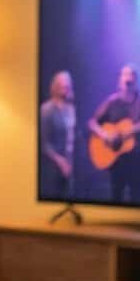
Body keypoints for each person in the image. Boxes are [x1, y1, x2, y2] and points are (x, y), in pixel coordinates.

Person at [89, 65, 140, 203]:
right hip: (116, 161)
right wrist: (105, 135)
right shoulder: (111, 102)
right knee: (116, 197)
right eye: (124, 75)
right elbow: (92, 123)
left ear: (136, 81)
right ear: (119, 80)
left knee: (136, 198)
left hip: (138, 161)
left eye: (131, 75)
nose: (128, 78)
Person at [39, 70, 77, 199]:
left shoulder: (71, 108)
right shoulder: (46, 109)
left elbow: (72, 136)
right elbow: (44, 143)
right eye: (61, 84)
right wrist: (60, 161)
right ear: (55, 86)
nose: (65, 87)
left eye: (67, 84)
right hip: (52, 165)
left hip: (69, 161)